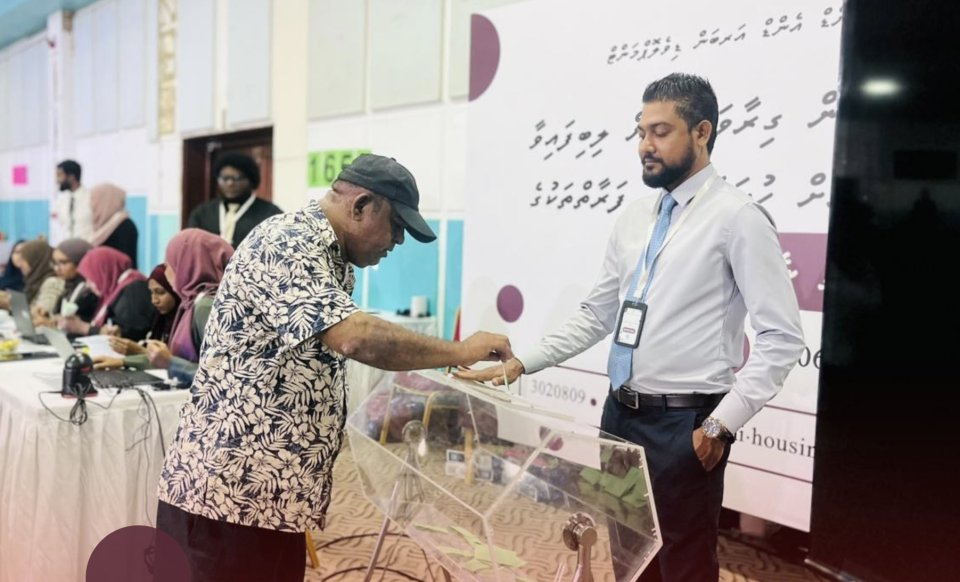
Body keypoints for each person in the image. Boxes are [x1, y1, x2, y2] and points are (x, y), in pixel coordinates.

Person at [458, 73, 805, 582]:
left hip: (684, 426)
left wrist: (720, 424)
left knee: (682, 566)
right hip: (620, 417)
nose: (645, 145)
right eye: (641, 132)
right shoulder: (634, 218)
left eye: (660, 132)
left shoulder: (738, 218)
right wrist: (520, 364)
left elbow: (782, 338)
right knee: (628, 558)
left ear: (702, 131)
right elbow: (598, 314)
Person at [156, 154, 512, 582]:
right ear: (361, 205)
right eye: (396, 226)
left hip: (271, 498)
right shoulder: (287, 241)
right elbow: (353, 335)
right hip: (227, 496)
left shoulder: (332, 258)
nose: (397, 242)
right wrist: (460, 351)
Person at [95, 230, 232, 387]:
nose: (166, 272)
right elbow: (176, 360)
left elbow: (226, 378)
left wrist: (171, 363)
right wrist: (123, 361)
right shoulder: (190, 303)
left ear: (187, 266)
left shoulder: (206, 307)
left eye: (170, 265)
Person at [186, 152, 283, 248]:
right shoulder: (202, 213)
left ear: (251, 180)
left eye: (237, 178)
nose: (230, 183)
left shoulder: (270, 214)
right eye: (225, 178)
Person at [61, 246, 152, 340]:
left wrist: (84, 328)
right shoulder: (113, 290)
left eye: (90, 277)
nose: (88, 284)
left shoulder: (134, 288)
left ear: (103, 271)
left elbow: (129, 334)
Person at [102, 264, 180, 363]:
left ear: (176, 291)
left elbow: (180, 364)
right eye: (151, 293)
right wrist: (122, 335)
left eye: (160, 292)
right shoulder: (160, 319)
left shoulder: (186, 321)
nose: (154, 300)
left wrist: (139, 352)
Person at [33, 238, 98, 329]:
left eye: (63, 263)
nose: (57, 269)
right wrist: (46, 315)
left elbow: (75, 327)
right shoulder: (69, 286)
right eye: (55, 263)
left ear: (80, 262)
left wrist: (49, 323)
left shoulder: (89, 291)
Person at [0, 239, 64, 316]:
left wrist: (9, 304)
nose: (20, 264)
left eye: (24, 259)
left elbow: (42, 314)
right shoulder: (35, 281)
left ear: (35, 261)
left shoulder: (52, 282)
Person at [88, 182, 139, 268]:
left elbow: (125, 263)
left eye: (93, 200)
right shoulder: (103, 226)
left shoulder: (125, 226)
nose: (91, 205)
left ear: (105, 201)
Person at [52, 160, 92, 242]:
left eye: (60, 175)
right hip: (64, 249)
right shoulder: (61, 200)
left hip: (87, 249)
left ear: (71, 176)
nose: (57, 180)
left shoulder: (91, 198)